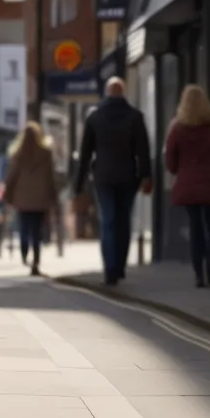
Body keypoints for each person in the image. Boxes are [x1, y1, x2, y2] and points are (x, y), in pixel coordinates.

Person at [74, 77, 153, 287]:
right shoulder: (135, 117)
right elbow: (143, 151)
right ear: (124, 93)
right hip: (129, 176)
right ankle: (119, 267)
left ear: (108, 93)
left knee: (108, 220)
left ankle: (109, 269)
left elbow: (85, 154)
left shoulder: (95, 117)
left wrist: (78, 184)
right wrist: (147, 176)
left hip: (103, 177)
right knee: (123, 220)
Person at [165, 85, 210, 288]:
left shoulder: (176, 128)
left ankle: (198, 275)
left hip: (189, 185)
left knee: (195, 229)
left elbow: (170, 163)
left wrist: (182, 170)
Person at [4, 122, 58, 276]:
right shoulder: (46, 153)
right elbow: (50, 177)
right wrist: (52, 195)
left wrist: (8, 193)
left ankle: (24, 252)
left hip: (22, 197)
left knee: (24, 227)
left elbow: (12, 176)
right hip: (40, 198)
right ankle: (36, 260)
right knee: (37, 230)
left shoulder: (18, 154)